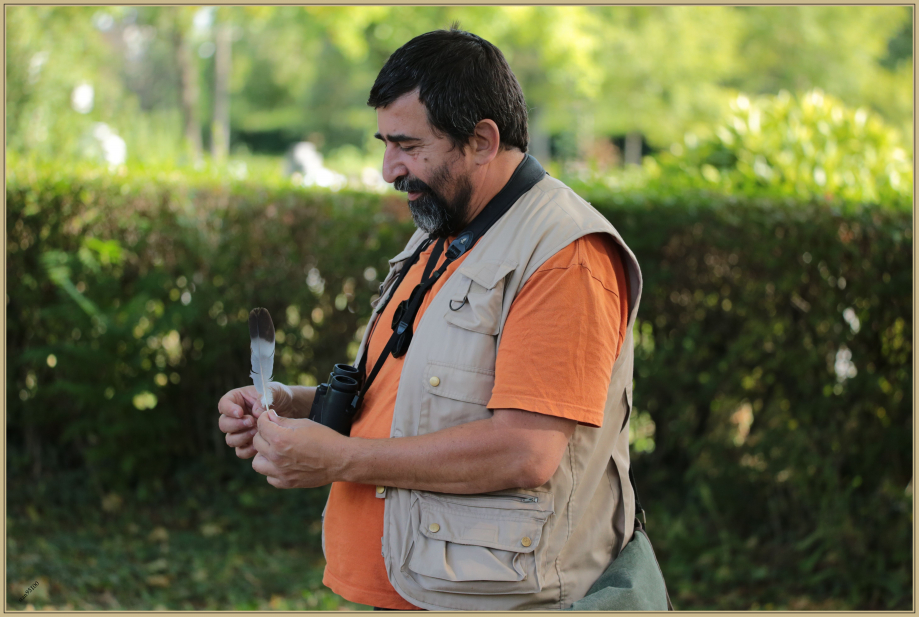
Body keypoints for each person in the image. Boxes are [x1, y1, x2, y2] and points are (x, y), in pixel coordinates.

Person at [218, 27, 643, 611]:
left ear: (483, 141)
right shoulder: (449, 227)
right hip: (413, 587)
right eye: (384, 143)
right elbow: (417, 395)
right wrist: (293, 403)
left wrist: (340, 459)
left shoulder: (566, 256)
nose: (388, 169)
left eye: (409, 146)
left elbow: (524, 451)